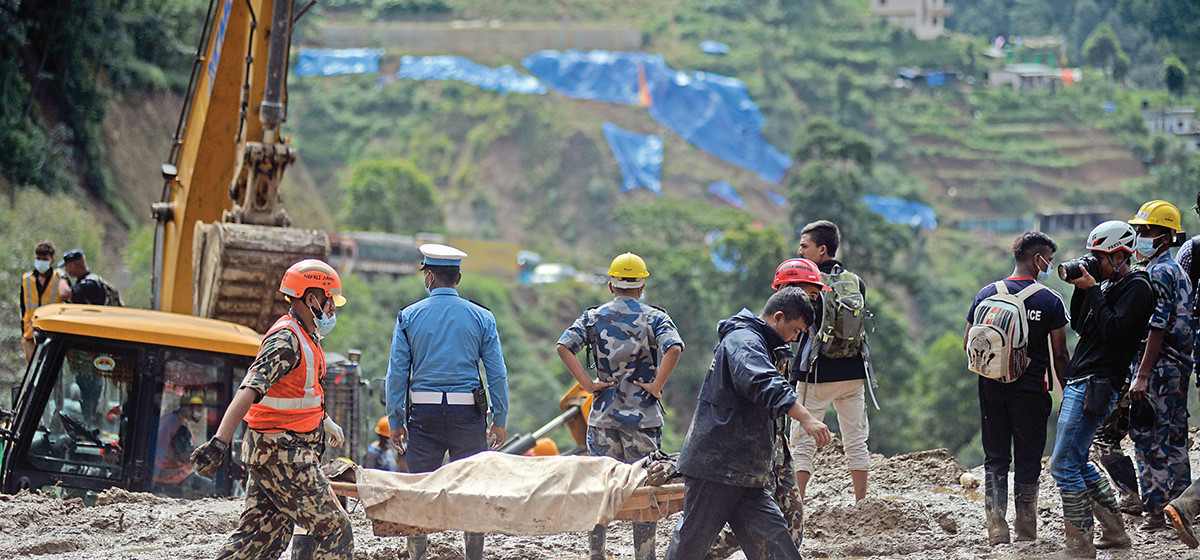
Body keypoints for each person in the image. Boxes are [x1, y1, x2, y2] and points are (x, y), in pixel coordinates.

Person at [190, 259, 352, 560]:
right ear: (312, 298)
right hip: (282, 452)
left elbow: (297, 392)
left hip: (274, 450)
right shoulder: (286, 340)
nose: (333, 311)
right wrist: (219, 443)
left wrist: (325, 421)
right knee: (334, 528)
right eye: (331, 302)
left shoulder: (304, 336)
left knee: (261, 540)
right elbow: (248, 390)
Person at [663, 288, 832, 560]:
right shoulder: (744, 341)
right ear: (778, 317)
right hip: (718, 466)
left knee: (776, 545)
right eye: (796, 330)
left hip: (745, 470)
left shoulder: (759, 343)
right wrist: (806, 417)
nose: (795, 339)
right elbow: (761, 381)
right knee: (690, 547)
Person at [556, 252, 684, 560]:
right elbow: (675, 348)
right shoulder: (656, 317)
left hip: (603, 417)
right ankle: (644, 554)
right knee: (643, 489)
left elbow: (564, 346)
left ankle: (597, 553)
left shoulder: (593, 317)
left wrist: (587, 385)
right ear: (642, 287)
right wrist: (656, 386)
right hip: (643, 420)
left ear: (611, 286)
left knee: (600, 489)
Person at [385, 244, 509, 560]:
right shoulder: (482, 317)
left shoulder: (408, 317)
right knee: (472, 490)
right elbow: (496, 373)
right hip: (468, 416)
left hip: (423, 417)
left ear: (429, 277)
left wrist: (396, 420)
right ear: (458, 278)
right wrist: (500, 418)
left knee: (420, 490)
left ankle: (417, 555)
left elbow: (397, 375)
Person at [704, 258, 830, 560]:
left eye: (814, 295)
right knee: (746, 523)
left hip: (775, 445)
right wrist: (805, 417)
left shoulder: (781, 340)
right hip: (746, 450)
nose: (811, 300)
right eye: (806, 293)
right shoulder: (750, 340)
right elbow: (763, 387)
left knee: (791, 523)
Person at [1050, 221, 1152, 557]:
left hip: (1097, 382)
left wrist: (1093, 288)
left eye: (1101, 258)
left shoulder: (1138, 287)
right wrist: (1084, 287)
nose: (1095, 263)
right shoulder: (1108, 286)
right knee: (1077, 461)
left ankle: (1079, 545)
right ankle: (1115, 535)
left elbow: (1113, 330)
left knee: (1063, 465)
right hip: (1084, 379)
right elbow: (1081, 325)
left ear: (1122, 255)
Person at [965, 231, 1070, 545]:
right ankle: (1025, 527)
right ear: (1037, 259)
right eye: (1048, 261)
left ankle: (996, 527)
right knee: (1027, 458)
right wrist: (1069, 393)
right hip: (1031, 391)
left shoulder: (986, 293)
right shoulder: (1049, 300)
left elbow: (968, 340)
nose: (1049, 266)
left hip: (990, 387)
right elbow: (1060, 355)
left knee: (995, 457)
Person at [790, 220, 872, 502]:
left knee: (802, 441)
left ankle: (797, 506)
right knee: (856, 438)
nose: (799, 251)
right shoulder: (855, 281)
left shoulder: (806, 282)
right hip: (852, 371)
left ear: (821, 249)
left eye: (804, 246)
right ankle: (861, 502)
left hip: (816, 372)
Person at [1125, 200, 1193, 529]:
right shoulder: (1172, 270)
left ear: (1164, 237)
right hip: (1176, 367)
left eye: (1146, 231)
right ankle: (1181, 508)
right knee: (1175, 438)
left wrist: (1141, 374)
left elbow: (1157, 326)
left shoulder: (1160, 272)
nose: (1139, 237)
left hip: (1160, 368)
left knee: (1148, 437)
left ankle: (1155, 510)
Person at [154, 396, 215, 498]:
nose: (200, 411)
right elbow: (185, 455)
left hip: (159, 471)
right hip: (171, 475)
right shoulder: (179, 425)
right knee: (208, 485)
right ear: (187, 408)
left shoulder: (170, 419)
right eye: (198, 407)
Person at [19, 241, 70, 362]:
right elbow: (23, 306)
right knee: (32, 373)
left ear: (52, 260)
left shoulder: (60, 279)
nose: (41, 262)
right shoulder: (26, 279)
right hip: (30, 334)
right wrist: (23, 330)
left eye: (45, 259)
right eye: (38, 258)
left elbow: (68, 305)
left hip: (52, 335)